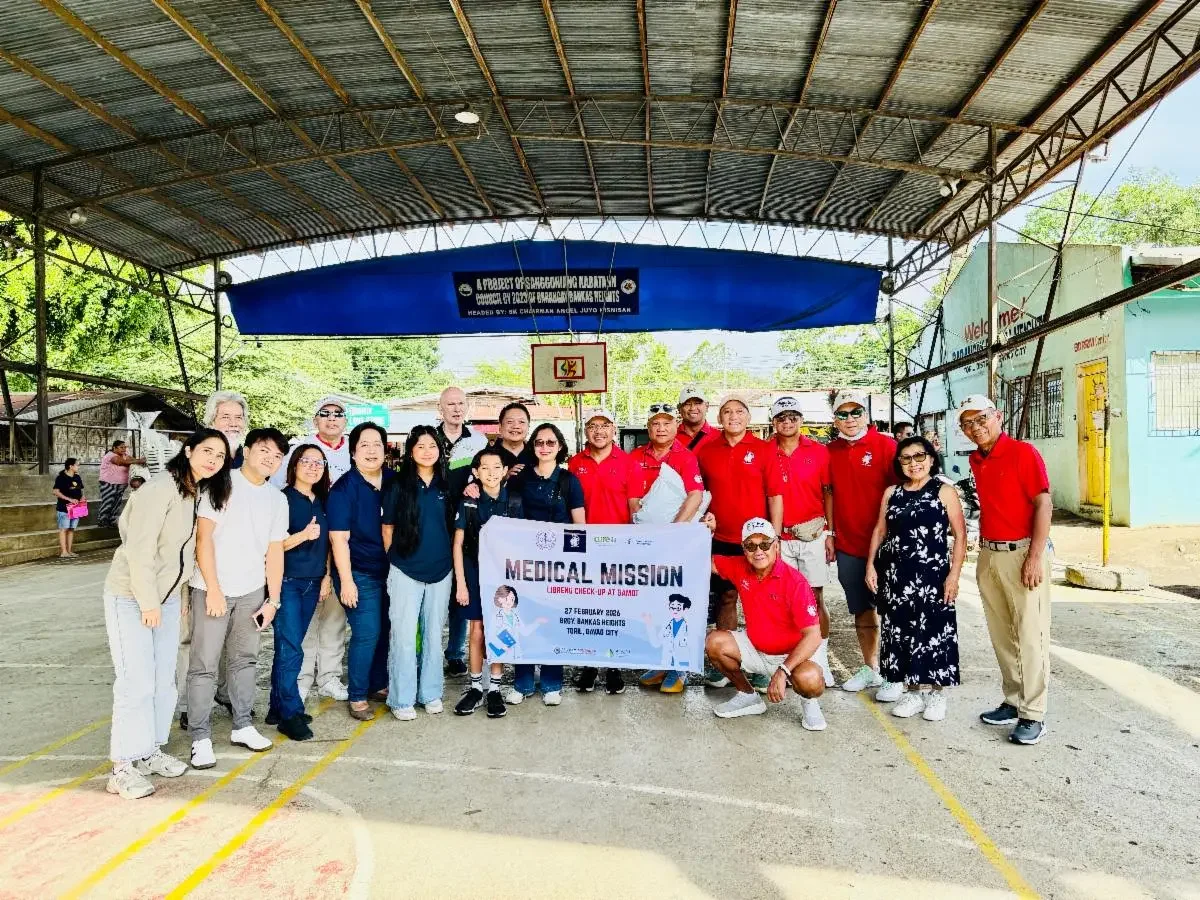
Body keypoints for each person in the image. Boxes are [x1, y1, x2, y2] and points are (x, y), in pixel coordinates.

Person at [102, 429, 231, 799]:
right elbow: (139, 551)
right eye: (206, 451)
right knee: (135, 683)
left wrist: (179, 595)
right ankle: (122, 767)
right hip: (133, 597)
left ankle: (148, 751)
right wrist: (148, 603)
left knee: (162, 682)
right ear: (188, 450)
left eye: (220, 456)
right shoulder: (158, 489)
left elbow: (184, 554)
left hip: (169, 598)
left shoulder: (196, 492)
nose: (213, 460)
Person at [186, 428, 289, 769]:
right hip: (211, 589)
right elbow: (204, 539)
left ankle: (243, 725)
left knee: (245, 661)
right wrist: (213, 588)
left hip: (251, 591)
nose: (270, 459)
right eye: (264, 451)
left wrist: (272, 599)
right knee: (204, 665)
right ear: (246, 450)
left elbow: (275, 552)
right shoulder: (221, 482)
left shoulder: (277, 498)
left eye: (277, 456)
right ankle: (199, 737)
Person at [958, 395, 1053, 746]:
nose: (976, 427)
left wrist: (1035, 556)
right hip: (991, 552)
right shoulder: (976, 459)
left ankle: (1033, 713)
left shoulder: (1023, 453)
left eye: (981, 418)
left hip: (1023, 550)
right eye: (967, 423)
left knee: (1030, 635)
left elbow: (1043, 503)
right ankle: (1013, 700)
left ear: (997, 416)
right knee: (1003, 634)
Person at [865, 436, 966, 722]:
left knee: (933, 634)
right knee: (900, 632)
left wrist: (954, 576)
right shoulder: (892, 493)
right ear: (900, 463)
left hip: (934, 577)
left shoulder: (943, 491)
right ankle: (912, 692)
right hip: (897, 576)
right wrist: (871, 566)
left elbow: (960, 536)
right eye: (906, 458)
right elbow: (880, 531)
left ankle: (935, 695)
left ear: (932, 459)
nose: (914, 463)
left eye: (919, 456)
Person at [703, 517, 826, 730]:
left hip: (792, 657)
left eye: (765, 544)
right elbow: (704, 561)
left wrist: (783, 671)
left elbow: (814, 635)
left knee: (811, 680)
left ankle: (809, 702)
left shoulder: (795, 582)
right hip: (756, 649)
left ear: (776, 546)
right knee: (714, 642)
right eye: (750, 545)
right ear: (744, 549)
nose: (758, 551)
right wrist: (707, 533)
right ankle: (747, 696)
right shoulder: (739, 567)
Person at [270, 397, 354, 706]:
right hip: (298, 560)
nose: (332, 419)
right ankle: (300, 681)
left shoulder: (353, 451)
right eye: (325, 413)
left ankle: (329, 677)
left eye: (338, 414)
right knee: (300, 627)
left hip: (338, 549)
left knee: (333, 620)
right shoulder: (299, 450)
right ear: (315, 419)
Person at [177, 390, 251, 729]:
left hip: (236, 566)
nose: (233, 423)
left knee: (231, 639)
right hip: (195, 564)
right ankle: (186, 705)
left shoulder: (246, 459)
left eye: (238, 418)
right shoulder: (199, 456)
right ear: (211, 421)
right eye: (226, 417)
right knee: (193, 640)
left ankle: (223, 693)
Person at [697, 395, 779, 692]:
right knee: (727, 599)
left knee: (761, 601)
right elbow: (699, 494)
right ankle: (727, 662)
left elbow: (774, 496)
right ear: (720, 418)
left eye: (739, 412)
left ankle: (765, 662)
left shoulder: (764, 449)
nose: (733, 416)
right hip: (721, 539)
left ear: (748, 416)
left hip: (757, 541)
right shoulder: (708, 450)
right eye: (727, 412)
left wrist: (775, 537)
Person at [827, 389, 901, 700]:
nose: (850, 419)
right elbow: (827, 493)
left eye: (856, 412)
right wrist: (831, 533)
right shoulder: (829, 452)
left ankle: (897, 674)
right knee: (862, 610)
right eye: (843, 414)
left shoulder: (888, 446)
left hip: (888, 545)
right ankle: (871, 668)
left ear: (866, 414)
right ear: (835, 420)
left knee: (897, 611)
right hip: (850, 545)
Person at [506, 423, 585, 706]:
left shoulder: (569, 481)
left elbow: (580, 525)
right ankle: (522, 681)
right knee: (523, 619)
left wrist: (576, 564)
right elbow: (510, 518)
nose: (544, 447)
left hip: (560, 565)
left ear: (560, 447)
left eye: (551, 443)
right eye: (539, 442)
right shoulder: (518, 478)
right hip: (525, 563)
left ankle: (552, 683)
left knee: (553, 622)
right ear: (533, 446)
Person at [629, 402, 706, 693]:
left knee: (679, 605)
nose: (661, 429)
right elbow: (633, 499)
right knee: (654, 605)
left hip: (677, 543)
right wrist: (644, 530)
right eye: (655, 424)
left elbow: (695, 496)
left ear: (676, 427)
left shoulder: (685, 457)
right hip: (648, 543)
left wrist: (672, 533)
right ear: (648, 429)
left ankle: (680, 668)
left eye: (666, 423)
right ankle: (662, 662)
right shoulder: (636, 456)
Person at [381, 426, 455, 721]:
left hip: (441, 570)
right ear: (411, 451)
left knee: (434, 635)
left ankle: (431, 693)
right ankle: (401, 699)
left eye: (432, 445)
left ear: (440, 450)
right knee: (403, 636)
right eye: (421, 446)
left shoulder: (448, 485)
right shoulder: (398, 484)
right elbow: (387, 530)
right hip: (405, 571)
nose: (427, 451)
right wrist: (396, 561)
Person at [766, 396, 836, 687]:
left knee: (815, 597)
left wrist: (830, 532)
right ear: (774, 422)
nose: (787, 421)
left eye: (793, 416)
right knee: (782, 600)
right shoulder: (765, 451)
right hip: (779, 537)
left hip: (812, 535)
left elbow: (828, 491)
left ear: (801, 420)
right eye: (782, 417)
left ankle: (821, 660)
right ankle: (788, 659)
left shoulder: (818, 451)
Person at [328, 422, 394, 721]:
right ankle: (357, 695)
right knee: (367, 633)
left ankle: (377, 683)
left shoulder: (394, 480)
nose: (371, 450)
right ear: (353, 452)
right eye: (364, 445)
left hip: (393, 572)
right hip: (359, 573)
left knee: (385, 632)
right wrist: (347, 581)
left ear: (385, 449)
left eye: (377, 444)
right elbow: (338, 538)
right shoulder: (344, 489)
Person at [266, 444, 332, 741]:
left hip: (312, 581)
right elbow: (272, 546)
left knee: (288, 646)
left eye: (319, 462)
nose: (313, 467)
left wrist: (327, 575)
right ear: (294, 466)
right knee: (291, 648)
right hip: (288, 582)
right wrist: (302, 536)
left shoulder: (322, 500)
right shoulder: (281, 499)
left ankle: (277, 706)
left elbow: (328, 544)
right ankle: (290, 714)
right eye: (306, 461)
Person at [451, 446, 522, 717]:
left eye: (497, 468)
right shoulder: (468, 502)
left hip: (504, 576)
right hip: (473, 572)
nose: (491, 473)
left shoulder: (514, 502)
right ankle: (475, 687)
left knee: (499, 629)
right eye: (485, 468)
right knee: (477, 630)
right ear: (475, 472)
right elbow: (458, 545)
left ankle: (494, 689)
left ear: (505, 471)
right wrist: (461, 583)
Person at [568, 409, 634, 696]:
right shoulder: (573, 463)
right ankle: (590, 666)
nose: (598, 431)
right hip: (584, 547)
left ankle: (614, 668)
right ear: (586, 431)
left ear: (613, 430)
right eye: (593, 426)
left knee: (616, 609)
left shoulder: (628, 463)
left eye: (604, 426)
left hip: (618, 547)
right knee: (589, 609)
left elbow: (635, 507)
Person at [436, 386, 488, 679]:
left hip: (464, 525)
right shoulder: (426, 438)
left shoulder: (478, 440)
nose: (456, 408)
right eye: (450, 404)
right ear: (440, 408)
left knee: (461, 590)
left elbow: (484, 474)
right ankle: (426, 652)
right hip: (432, 523)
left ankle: (454, 653)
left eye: (460, 404)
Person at [98, 440, 146, 527]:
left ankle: (112, 520)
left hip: (121, 484)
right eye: (121, 447)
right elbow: (120, 462)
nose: (124, 449)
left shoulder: (125, 456)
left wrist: (141, 461)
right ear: (114, 448)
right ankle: (102, 520)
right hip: (109, 483)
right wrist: (139, 461)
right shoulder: (110, 455)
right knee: (108, 501)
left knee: (116, 503)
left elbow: (133, 460)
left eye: (125, 447)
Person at [53, 458, 86, 559]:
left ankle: (70, 550)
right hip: (64, 508)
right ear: (71, 466)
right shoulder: (61, 477)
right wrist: (69, 499)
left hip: (76, 507)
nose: (78, 467)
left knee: (71, 529)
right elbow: (55, 492)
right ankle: (64, 552)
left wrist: (82, 498)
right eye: (77, 465)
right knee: (64, 529)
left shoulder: (77, 477)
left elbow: (81, 490)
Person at [677, 386, 718, 452]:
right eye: (687, 404)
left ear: (707, 406)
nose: (692, 408)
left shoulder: (720, 436)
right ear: (679, 409)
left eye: (698, 403)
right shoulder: (670, 436)